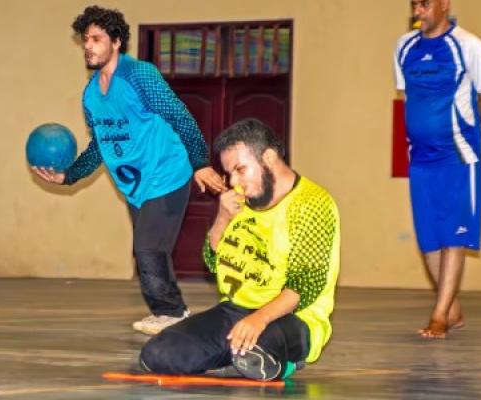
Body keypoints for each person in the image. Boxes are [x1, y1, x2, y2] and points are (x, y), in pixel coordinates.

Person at [31, 5, 225, 335]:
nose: (88, 46)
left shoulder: (139, 75)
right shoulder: (91, 95)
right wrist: (69, 176)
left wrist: (200, 162)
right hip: (135, 186)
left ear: (116, 41)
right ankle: (172, 311)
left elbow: (179, 115)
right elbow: (99, 146)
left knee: (147, 247)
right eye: (85, 40)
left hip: (167, 173)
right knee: (152, 249)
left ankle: (171, 312)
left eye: (96, 39)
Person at [139, 119, 340, 381]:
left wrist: (259, 319)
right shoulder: (242, 200)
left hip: (293, 315)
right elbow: (213, 261)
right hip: (236, 310)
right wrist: (222, 218)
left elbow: (306, 285)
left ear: (268, 158)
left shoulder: (312, 204)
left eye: (240, 169)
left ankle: (282, 360)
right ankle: (235, 353)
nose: (234, 181)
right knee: (156, 355)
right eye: (229, 173)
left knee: (256, 353)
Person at [394, 0, 481, 339]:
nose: (418, 11)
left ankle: (439, 316)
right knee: (429, 240)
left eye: (424, 4)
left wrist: (461, 128)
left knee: (453, 235)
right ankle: (452, 310)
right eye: (414, 5)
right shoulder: (404, 47)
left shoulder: (469, 46)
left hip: (457, 156)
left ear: (443, 4)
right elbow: (411, 98)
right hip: (420, 158)